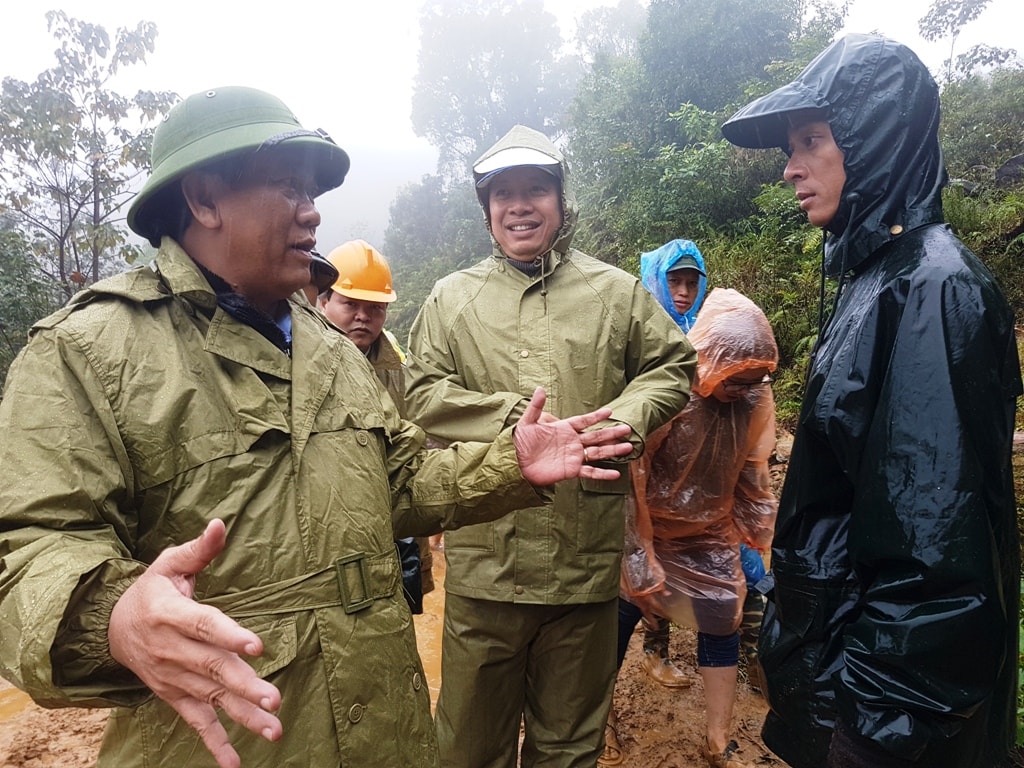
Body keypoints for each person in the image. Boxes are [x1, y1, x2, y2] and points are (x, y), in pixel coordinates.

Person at [0, 86, 638, 768]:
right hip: (232, 741)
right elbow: (28, 552)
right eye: (288, 188)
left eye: (313, 192)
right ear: (204, 199)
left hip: (383, 727)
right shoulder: (90, 351)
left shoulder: (330, 348)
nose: (312, 212)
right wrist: (118, 618)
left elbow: (399, 483)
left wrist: (512, 462)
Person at [721, 34, 1022, 768]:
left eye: (812, 140)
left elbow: (933, 552)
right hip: (841, 684)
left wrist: (879, 737)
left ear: (874, 138)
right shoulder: (878, 281)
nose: (791, 167)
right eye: (790, 146)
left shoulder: (932, 289)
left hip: (882, 720)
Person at [405, 124, 696, 767]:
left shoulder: (614, 293)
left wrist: (622, 418)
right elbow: (422, 391)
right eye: (502, 193)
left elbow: (672, 367)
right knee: (468, 747)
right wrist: (517, 427)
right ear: (486, 214)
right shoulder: (453, 299)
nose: (519, 204)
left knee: (567, 748)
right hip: (487, 566)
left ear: (561, 203)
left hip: (583, 567)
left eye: (535, 188)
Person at [616, 287, 779, 768]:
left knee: (722, 617)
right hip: (651, 533)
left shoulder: (752, 398)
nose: (744, 388)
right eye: (736, 378)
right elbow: (632, 473)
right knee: (616, 625)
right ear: (708, 358)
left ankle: (717, 738)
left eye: (755, 379)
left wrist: (757, 522)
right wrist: (635, 550)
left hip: (711, 533)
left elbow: (752, 463)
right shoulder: (669, 394)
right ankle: (596, 725)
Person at [317, 238, 434, 612]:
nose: (363, 316)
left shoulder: (398, 368)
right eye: (350, 304)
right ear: (323, 301)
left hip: (395, 526)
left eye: (375, 308)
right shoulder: (297, 361)